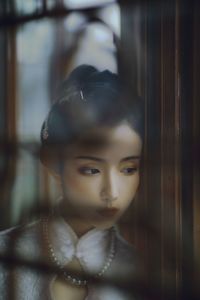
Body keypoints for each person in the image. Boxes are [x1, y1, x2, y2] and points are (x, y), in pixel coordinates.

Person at [0, 65, 144, 300]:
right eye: (91, 169)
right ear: (54, 164)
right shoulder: (6, 255)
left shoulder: (145, 272)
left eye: (128, 169)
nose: (112, 192)